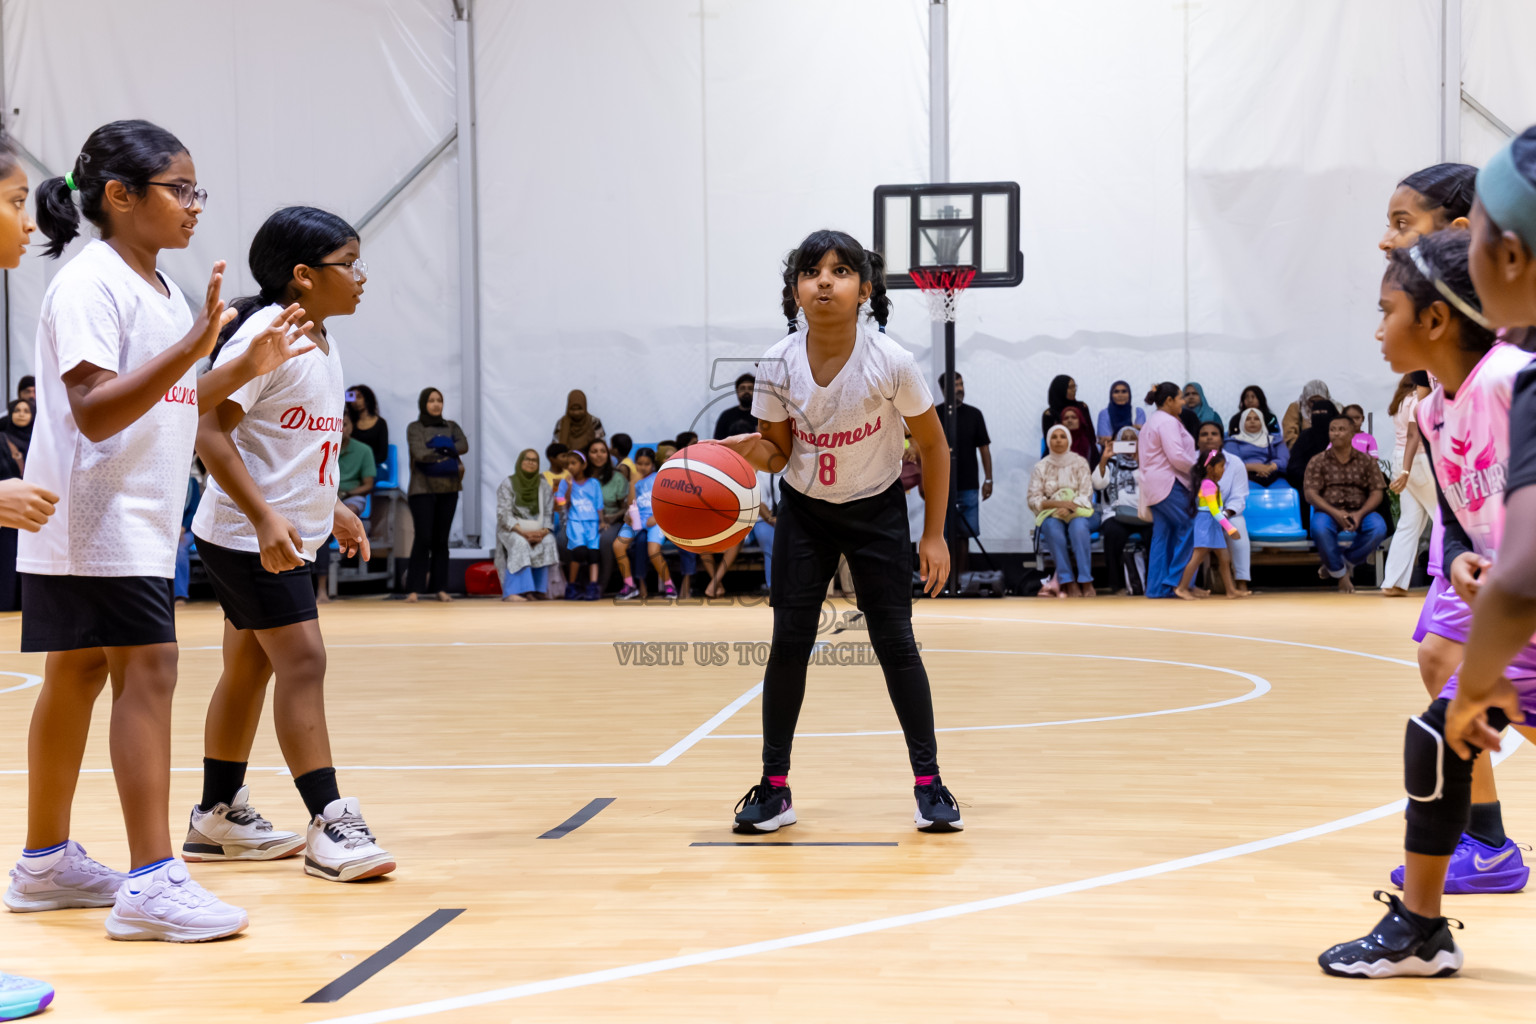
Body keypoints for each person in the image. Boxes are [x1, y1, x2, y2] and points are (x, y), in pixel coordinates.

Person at [6, 120, 314, 942]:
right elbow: (96, 410)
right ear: (120, 195)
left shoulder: (164, 289)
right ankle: (151, 880)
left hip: (125, 517)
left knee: (76, 674)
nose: (194, 205)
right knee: (149, 669)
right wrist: (192, 347)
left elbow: (173, 403)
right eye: (180, 189)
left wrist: (239, 368)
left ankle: (44, 862)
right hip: (97, 516)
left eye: (195, 190)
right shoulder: (91, 282)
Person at [713, 228, 960, 834]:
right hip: (806, 513)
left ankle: (929, 785)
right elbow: (778, 453)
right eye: (812, 271)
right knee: (788, 646)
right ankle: (775, 790)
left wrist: (933, 535)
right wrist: (743, 453)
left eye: (840, 271)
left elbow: (934, 446)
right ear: (796, 289)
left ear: (865, 290)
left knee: (896, 643)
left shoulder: (891, 362)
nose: (825, 281)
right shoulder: (777, 364)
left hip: (877, 511)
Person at [1319, 221, 1518, 977]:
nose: (1377, 330)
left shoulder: (1513, 383)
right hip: (1517, 616)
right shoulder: (1433, 409)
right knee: (1437, 737)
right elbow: (1462, 517)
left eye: (1386, 311)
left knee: (1444, 730)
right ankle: (1422, 930)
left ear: (1434, 320)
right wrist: (1464, 556)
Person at [187, 206, 391, 884]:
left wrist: (331, 506)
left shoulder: (321, 338)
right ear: (303, 275)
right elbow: (206, 431)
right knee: (304, 661)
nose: (361, 276)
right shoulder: (269, 334)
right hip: (249, 536)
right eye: (349, 263)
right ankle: (329, 820)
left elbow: (286, 446)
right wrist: (265, 519)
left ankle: (216, 816)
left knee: (249, 670)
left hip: (278, 531)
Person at [1427, 127, 1536, 920]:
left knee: (1451, 689)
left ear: (1510, 255)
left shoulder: (1514, 377)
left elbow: (1524, 570)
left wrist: (1476, 688)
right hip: (1493, 575)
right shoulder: (1453, 396)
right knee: (1440, 661)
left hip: (1512, 593)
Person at [1303, 414, 1388, 593]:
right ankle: (1341, 575)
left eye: (1341, 429)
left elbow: (1377, 492)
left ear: (1352, 434)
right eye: (1332, 430)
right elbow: (1310, 494)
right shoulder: (1318, 460)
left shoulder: (1366, 461)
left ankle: (1343, 563)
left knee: (1378, 528)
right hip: (1328, 511)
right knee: (1319, 528)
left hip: (1360, 511)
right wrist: (1335, 513)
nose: (1336, 433)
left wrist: (1359, 514)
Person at [405, 386, 467, 603]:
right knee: (423, 538)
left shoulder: (451, 426)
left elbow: (463, 445)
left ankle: (440, 587)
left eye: (439, 400)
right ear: (424, 403)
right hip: (422, 490)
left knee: (441, 540)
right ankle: (413, 589)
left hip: (449, 488)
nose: (435, 404)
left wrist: (437, 449)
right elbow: (419, 453)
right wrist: (446, 450)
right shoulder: (415, 427)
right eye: (431, 400)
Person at [1139, 382, 1198, 598]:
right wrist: (1199, 470)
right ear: (1169, 400)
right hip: (1168, 483)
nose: (1184, 402)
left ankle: (1157, 589)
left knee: (1162, 535)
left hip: (1153, 486)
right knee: (1190, 525)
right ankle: (1178, 583)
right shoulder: (1167, 422)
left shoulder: (1151, 422)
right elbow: (1177, 456)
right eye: (1180, 397)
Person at [1382, 372, 1434, 596]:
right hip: (1417, 460)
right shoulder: (1417, 401)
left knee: (1408, 523)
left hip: (1400, 458)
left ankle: (1392, 582)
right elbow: (1414, 435)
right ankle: (1449, 577)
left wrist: (1403, 470)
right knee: (1442, 517)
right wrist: (1406, 470)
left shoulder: (1401, 401)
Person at [935, 371, 991, 575]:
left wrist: (989, 479)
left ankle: (962, 578)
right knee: (944, 533)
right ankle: (946, 579)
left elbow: (984, 448)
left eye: (961, 384)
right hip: (941, 485)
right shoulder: (935, 415)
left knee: (965, 533)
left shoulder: (974, 414)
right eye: (955, 385)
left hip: (968, 484)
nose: (960, 389)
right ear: (943, 390)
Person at [1029, 424, 1095, 598]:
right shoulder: (1041, 466)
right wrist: (1057, 505)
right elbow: (1033, 499)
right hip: (1052, 513)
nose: (1058, 440)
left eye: (1062, 436)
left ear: (1069, 440)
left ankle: (1086, 581)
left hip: (1077, 511)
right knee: (1052, 528)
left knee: (1078, 528)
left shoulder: (1080, 462)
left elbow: (1086, 493)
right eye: (1054, 437)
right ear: (1048, 441)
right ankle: (1067, 581)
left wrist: (1069, 506)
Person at [1174, 449, 1247, 601]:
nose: (1223, 470)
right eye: (1221, 466)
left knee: (1224, 557)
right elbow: (1214, 510)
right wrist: (1230, 528)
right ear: (1210, 468)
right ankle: (1182, 588)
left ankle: (1230, 590)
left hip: (1212, 524)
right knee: (1197, 557)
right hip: (1206, 523)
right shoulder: (1208, 485)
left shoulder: (1212, 484)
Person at [1093, 426, 1150, 595]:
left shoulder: (1148, 462)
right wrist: (1104, 459)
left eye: (1133, 439)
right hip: (1115, 513)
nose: (1128, 442)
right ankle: (1116, 585)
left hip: (1144, 514)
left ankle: (1152, 582)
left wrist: (1141, 461)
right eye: (1124, 439)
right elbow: (1097, 484)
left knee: (1156, 534)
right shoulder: (1110, 463)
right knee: (1113, 533)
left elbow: (1156, 486)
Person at [495, 448, 557, 602]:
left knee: (548, 541)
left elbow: (548, 513)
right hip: (512, 529)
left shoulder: (543, 485)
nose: (531, 463)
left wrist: (542, 532)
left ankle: (536, 590)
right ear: (520, 462)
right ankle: (513, 592)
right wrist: (523, 533)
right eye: (527, 459)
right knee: (520, 543)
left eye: (534, 460)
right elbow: (504, 514)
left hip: (537, 530)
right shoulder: (508, 484)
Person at [1197, 422, 1252, 595]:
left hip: (1226, 513)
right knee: (1199, 555)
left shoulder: (1235, 463)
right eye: (1204, 434)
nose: (1209, 437)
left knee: (1239, 526)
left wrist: (1226, 515)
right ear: (1197, 441)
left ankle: (1241, 582)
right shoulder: (1190, 461)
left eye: (1214, 434)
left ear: (1222, 440)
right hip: (1201, 516)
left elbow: (1239, 497)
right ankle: (1188, 585)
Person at [614, 448, 674, 599]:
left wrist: (656, 518)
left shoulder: (659, 478)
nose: (643, 467)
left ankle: (669, 584)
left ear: (653, 464)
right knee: (618, 546)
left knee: (653, 551)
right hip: (637, 518)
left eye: (646, 464)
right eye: (639, 464)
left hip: (655, 519)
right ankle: (629, 585)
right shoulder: (635, 480)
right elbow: (631, 504)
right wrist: (632, 484)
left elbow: (668, 503)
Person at [587, 438, 629, 595]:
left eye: (603, 451)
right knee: (564, 539)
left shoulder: (617, 477)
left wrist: (613, 517)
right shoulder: (581, 476)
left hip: (612, 521)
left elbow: (625, 508)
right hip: (585, 520)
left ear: (608, 454)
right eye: (594, 451)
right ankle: (577, 583)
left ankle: (601, 585)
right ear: (587, 455)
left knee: (605, 539)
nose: (599, 455)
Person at [1284, 396, 1341, 511]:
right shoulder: (1305, 437)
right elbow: (1294, 467)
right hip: (1309, 484)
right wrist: (1313, 477)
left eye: (1324, 413)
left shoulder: (1341, 437)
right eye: (1316, 413)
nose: (1320, 416)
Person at [561, 448, 603, 600]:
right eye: (568, 464)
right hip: (575, 522)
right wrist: (569, 488)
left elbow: (599, 504)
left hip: (592, 522)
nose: (570, 467)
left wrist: (602, 521)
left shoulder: (594, 483)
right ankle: (571, 586)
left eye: (573, 463)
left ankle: (593, 586)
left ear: (583, 465)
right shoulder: (564, 483)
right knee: (578, 552)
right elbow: (562, 504)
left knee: (593, 554)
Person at [0, 398, 27, 611]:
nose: (21, 414)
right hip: (7, 511)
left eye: (26, 410)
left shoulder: (40, 440)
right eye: (17, 410)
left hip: (33, 512)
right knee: (7, 562)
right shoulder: (3, 439)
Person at [1225, 407, 1289, 487]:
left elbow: (1284, 459)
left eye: (1256, 419)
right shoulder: (1232, 442)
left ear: (1262, 422)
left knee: (1284, 490)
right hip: (1244, 476)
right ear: (1242, 422)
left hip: (1273, 476)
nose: (1252, 421)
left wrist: (1270, 468)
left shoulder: (1275, 440)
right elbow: (1231, 463)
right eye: (1248, 419)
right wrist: (1254, 467)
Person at [345, 383, 388, 466]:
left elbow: (382, 455)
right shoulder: (348, 423)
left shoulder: (381, 423)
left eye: (359, 397)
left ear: (368, 399)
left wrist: (364, 464)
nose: (355, 401)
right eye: (352, 398)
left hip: (372, 466)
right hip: (350, 466)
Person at [1282, 379, 1333, 447]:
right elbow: (1289, 433)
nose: (1316, 405)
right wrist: (1299, 448)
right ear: (1306, 399)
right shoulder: (1296, 408)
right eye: (1313, 401)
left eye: (1320, 401)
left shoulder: (1335, 408)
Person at [1095, 379, 1145, 447]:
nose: (1120, 395)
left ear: (1129, 394)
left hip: (1135, 452)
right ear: (1111, 395)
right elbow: (1105, 441)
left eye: (1124, 391)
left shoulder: (1138, 412)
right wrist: (1132, 428)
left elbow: (1141, 437)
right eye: (1116, 392)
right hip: (1111, 452)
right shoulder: (1104, 414)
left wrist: (1116, 437)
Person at [714, 373, 758, 440]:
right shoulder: (726, 416)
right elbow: (718, 442)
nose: (746, 391)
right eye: (742, 388)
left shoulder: (761, 417)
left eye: (750, 388)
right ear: (737, 391)